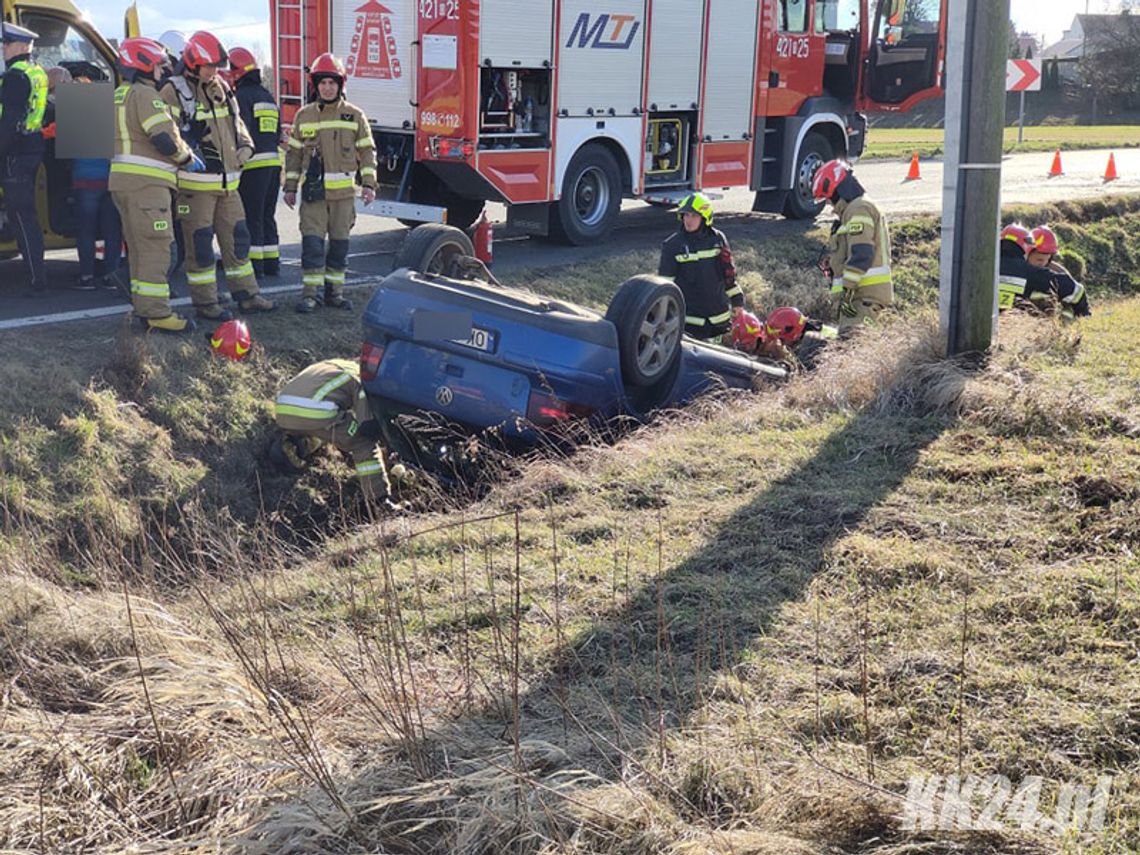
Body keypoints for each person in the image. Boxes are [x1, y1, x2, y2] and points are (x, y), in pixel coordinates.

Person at [163, 30, 274, 320]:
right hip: (194, 187)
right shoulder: (173, 91)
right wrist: (188, 141)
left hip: (228, 185)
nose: (213, 71)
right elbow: (166, 134)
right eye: (209, 66)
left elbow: (237, 124)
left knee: (238, 240)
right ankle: (205, 303)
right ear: (192, 63)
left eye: (215, 66)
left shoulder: (221, 87)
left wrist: (246, 147)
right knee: (199, 244)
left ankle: (247, 295)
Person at [109, 37, 202, 333]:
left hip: (122, 184)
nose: (163, 70)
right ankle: (158, 314)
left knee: (138, 248)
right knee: (157, 248)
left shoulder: (119, 95)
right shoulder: (147, 96)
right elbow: (162, 138)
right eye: (160, 64)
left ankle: (142, 307)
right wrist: (187, 157)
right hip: (148, 187)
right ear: (145, 63)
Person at [283, 52, 377, 313]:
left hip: (344, 198)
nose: (327, 88)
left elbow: (368, 153)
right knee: (312, 246)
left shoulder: (355, 116)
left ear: (340, 84)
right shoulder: (304, 116)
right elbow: (294, 155)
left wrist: (369, 184)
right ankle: (310, 296)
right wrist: (290, 188)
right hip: (314, 196)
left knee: (339, 248)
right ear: (316, 85)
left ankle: (335, 294)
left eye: (331, 83)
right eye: (322, 83)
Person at [272, 358, 388, 500]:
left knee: (323, 431)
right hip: (316, 411)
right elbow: (367, 425)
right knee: (363, 443)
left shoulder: (330, 366)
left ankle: (295, 445)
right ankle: (380, 501)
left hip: (282, 409)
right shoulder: (361, 379)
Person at [812, 159, 893, 328]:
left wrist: (846, 291)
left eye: (828, 199)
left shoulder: (858, 209)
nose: (830, 205)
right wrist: (835, 261)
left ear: (836, 191)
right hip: (860, 299)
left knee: (849, 345)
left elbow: (862, 254)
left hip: (861, 298)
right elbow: (855, 248)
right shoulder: (854, 210)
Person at [0, 22, 48, 295]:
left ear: (19, 45)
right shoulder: (36, 70)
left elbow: (9, 122)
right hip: (30, 146)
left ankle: (36, 279)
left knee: (22, 215)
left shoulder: (16, 76)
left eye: (5, 44)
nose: (3, 49)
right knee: (25, 215)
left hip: (15, 153)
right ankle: (36, 275)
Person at [656, 192, 744, 339]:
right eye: (686, 215)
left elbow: (728, 275)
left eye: (694, 215)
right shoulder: (672, 245)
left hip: (720, 322)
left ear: (704, 217)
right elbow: (665, 287)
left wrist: (737, 301)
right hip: (690, 325)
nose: (688, 220)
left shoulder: (717, 239)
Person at [229, 46, 282, 278]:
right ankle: (272, 264)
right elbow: (278, 132)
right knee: (267, 215)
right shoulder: (267, 96)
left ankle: (255, 267)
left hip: (253, 166)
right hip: (273, 164)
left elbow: (243, 132)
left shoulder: (241, 98)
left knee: (252, 217)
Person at [1025, 225, 1090, 319]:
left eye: (1047, 260)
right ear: (1027, 254)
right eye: (1039, 260)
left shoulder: (1055, 271)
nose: (1043, 264)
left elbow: (1075, 289)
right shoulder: (1019, 271)